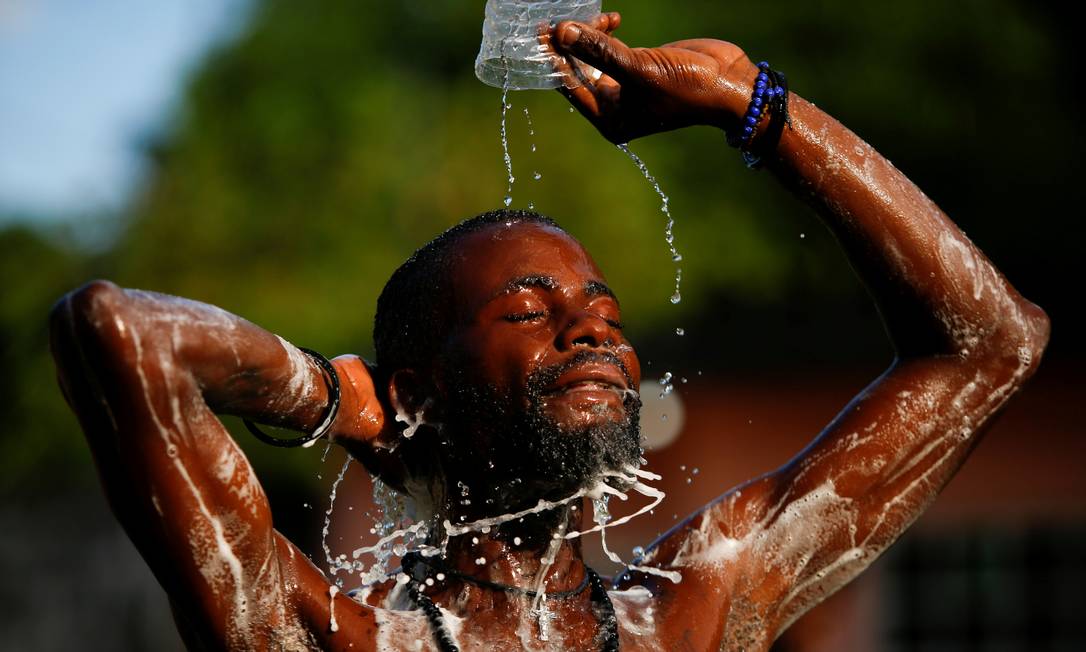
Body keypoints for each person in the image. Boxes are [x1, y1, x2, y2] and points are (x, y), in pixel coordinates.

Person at [49, 12, 1049, 652]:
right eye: (530, 311)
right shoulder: (322, 635)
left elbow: (994, 341)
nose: (593, 334)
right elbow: (117, 330)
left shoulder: (695, 608)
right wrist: (328, 397)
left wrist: (751, 104)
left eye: (609, 316)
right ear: (417, 391)